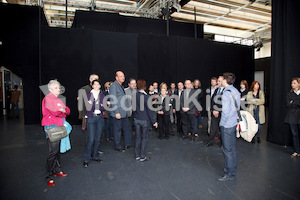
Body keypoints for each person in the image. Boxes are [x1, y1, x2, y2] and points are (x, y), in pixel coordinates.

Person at [42, 80, 70, 187]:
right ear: (50, 89)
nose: (59, 89)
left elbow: (67, 110)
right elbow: (55, 112)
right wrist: (62, 110)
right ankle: (48, 175)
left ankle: (57, 170)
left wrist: (62, 109)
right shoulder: (47, 99)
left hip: (59, 126)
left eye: (59, 87)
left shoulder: (57, 99)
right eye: (56, 88)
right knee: (53, 152)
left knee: (57, 150)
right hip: (51, 127)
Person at [218, 72, 240, 182]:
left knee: (227, 150)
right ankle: (233, 171)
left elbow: (225, 112)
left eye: (222, 79)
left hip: (226, 125)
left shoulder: (226, 93)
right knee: (232, 149)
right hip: (233, 123)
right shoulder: (235, 91)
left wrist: (222, 124)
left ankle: (229, 174)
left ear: (225, 81)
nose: (220, 80)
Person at [82, 79, 106, 168]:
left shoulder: (102, 95)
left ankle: (95, 156)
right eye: (94, 84)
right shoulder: (88, 95)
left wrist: (95, 105)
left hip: (99, 118)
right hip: (91, 119)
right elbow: (88, 107)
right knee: (91, 139)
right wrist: (100, 105)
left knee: (98, 139)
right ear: (92, 85)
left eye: (98, 84)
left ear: (100, 86)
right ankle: (86, 159)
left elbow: (104, 108)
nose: (96, 86)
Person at [133, 79, 158, 161]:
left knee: (137, 137)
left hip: (136, 119)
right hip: (144, 120)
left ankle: (137, 155)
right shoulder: (146, 97)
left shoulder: (134, 95)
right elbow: (150, 111)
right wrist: (154, 121)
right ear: (144, 86)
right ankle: (142, 156)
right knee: (144, 138)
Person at [109, 71, 132, 151]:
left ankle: (127, 144)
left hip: (123, 112)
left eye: (123, 76)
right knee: (117, 130)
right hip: (117, 113)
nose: (123, 77)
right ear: (116, 78)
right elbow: (113, 100)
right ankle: (117, 146)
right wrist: (116, 112)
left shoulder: (121, 86)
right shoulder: (113, 86)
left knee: (127, 128)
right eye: (121, 76)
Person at [205, 76, 224, 147]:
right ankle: (210, 141)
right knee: (213, 128)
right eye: (217, 81)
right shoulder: (217, 90)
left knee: (222, 129)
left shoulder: (226, 91)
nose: (217, 82)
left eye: (219, 81)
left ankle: (222, 143)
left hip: (222, 113)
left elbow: (224, 103)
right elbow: (212, 101)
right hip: (214, 112)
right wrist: (213, 110)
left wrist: (218, 111)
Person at [284, 78, 300, 157]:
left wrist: (293, 102)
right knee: (294, 134)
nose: (292, 84)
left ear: (298, 84)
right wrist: (296, 103)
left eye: (294, 83)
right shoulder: (289, 94)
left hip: (299, 115)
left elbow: (293, 103)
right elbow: (287, 104)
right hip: (292, 116)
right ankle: (296, 150)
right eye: (292, 83)